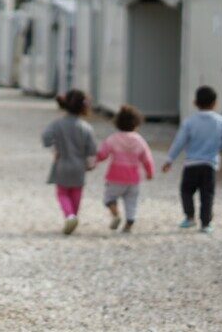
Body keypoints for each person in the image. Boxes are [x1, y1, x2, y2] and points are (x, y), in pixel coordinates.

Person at [161, 86, 222, 233]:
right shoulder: (220, 121)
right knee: (207, 195)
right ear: (215, 103)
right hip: (210, 164)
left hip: (191, 164)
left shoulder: (189, 122)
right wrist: (220, 146)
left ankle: (189, 217)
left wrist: (169, 160)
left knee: (186, 191)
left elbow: (179, 142)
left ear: (195, 102)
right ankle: (206, 224)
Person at [43, 89, 98, 235]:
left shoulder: (57, 124)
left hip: (62, 163)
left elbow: (46, 138)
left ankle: (69, 215)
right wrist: (90, 162)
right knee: (76, 192)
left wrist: (54, 147)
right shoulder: (86, 127)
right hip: (79, 166)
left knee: (62, 193)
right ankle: (74, 215)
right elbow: (92, 149)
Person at [95, 105, 155, 233]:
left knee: (109, 198)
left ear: (117, 123)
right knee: (131, 201)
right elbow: (147, 158)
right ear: (137, 124)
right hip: (134, 178)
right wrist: (149, 172)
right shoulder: (139, 140)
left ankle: (116, 214)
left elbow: (102, 154)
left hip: (115, 177)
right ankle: (129, 221)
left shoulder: (113, 139)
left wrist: (94, 161)